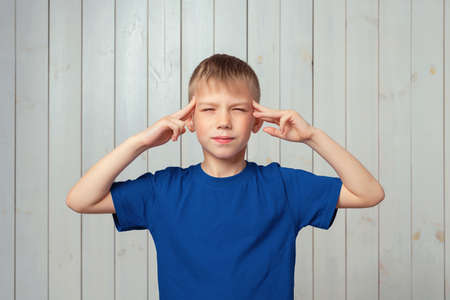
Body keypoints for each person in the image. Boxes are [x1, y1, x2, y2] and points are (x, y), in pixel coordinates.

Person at [66, 53, 385, 300]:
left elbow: (368, 193)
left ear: (257, 121)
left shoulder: (282, 187)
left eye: (238, 109)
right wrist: (140, 142)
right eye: (208, 110)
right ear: (189, 119)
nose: (223, 121)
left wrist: (312, 136)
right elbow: (80, 200)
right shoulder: (163, 190)